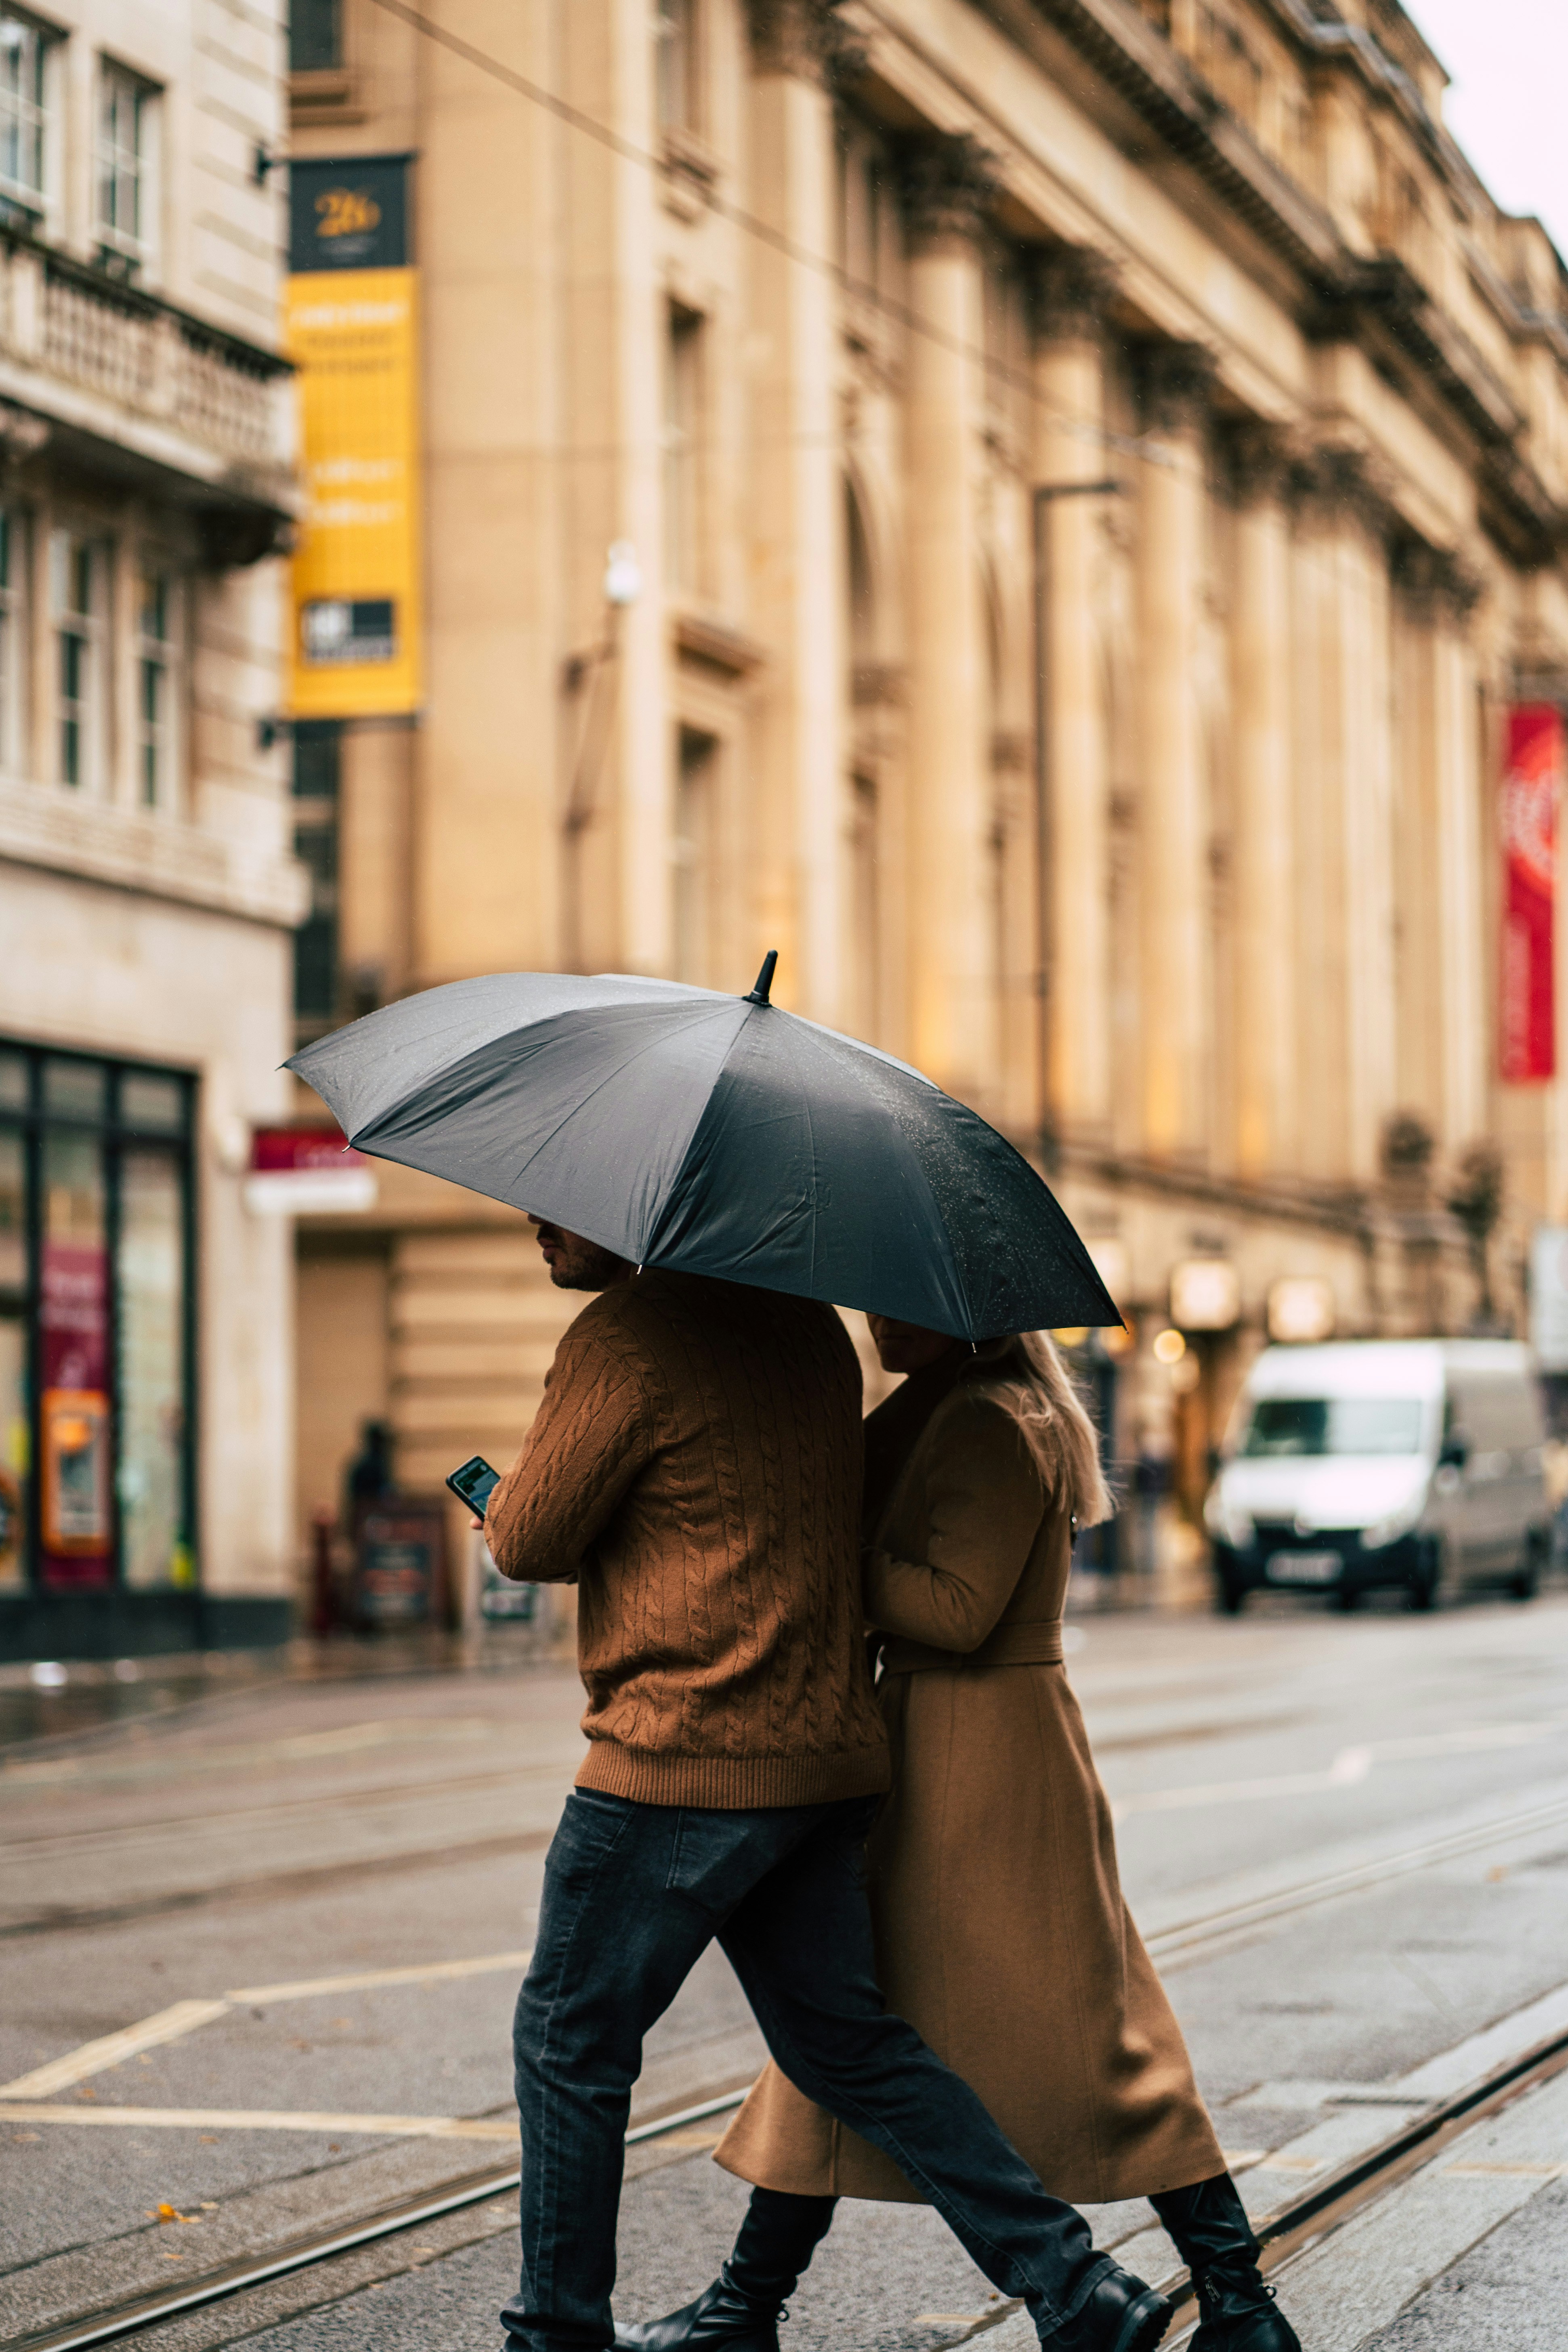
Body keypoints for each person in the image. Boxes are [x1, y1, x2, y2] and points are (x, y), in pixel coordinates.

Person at [481, 1219, 1176, 2352]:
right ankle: (1075, 2286)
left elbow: (533, 1538)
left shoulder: (626, 1336)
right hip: (817, 1759)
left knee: (570, 2040)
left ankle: (554, 2336)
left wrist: (503, 1502)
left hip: (677, 1757)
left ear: (640, 1204)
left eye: (557, 1207)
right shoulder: (807, 1333)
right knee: (850, 2046)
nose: (538, 1226)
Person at [623, 1317, 1299, 2352]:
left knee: (1035, 2032)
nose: (875, 1324)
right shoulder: (957, 1407)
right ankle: (742, 2307)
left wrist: (836, 1557)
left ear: (959, 1316)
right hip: (958, 1741)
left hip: (971, 1750)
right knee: (861, 2021)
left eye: (896, 1308)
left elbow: (958, 1609)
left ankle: (1238, 2299)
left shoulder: (986, 1419)